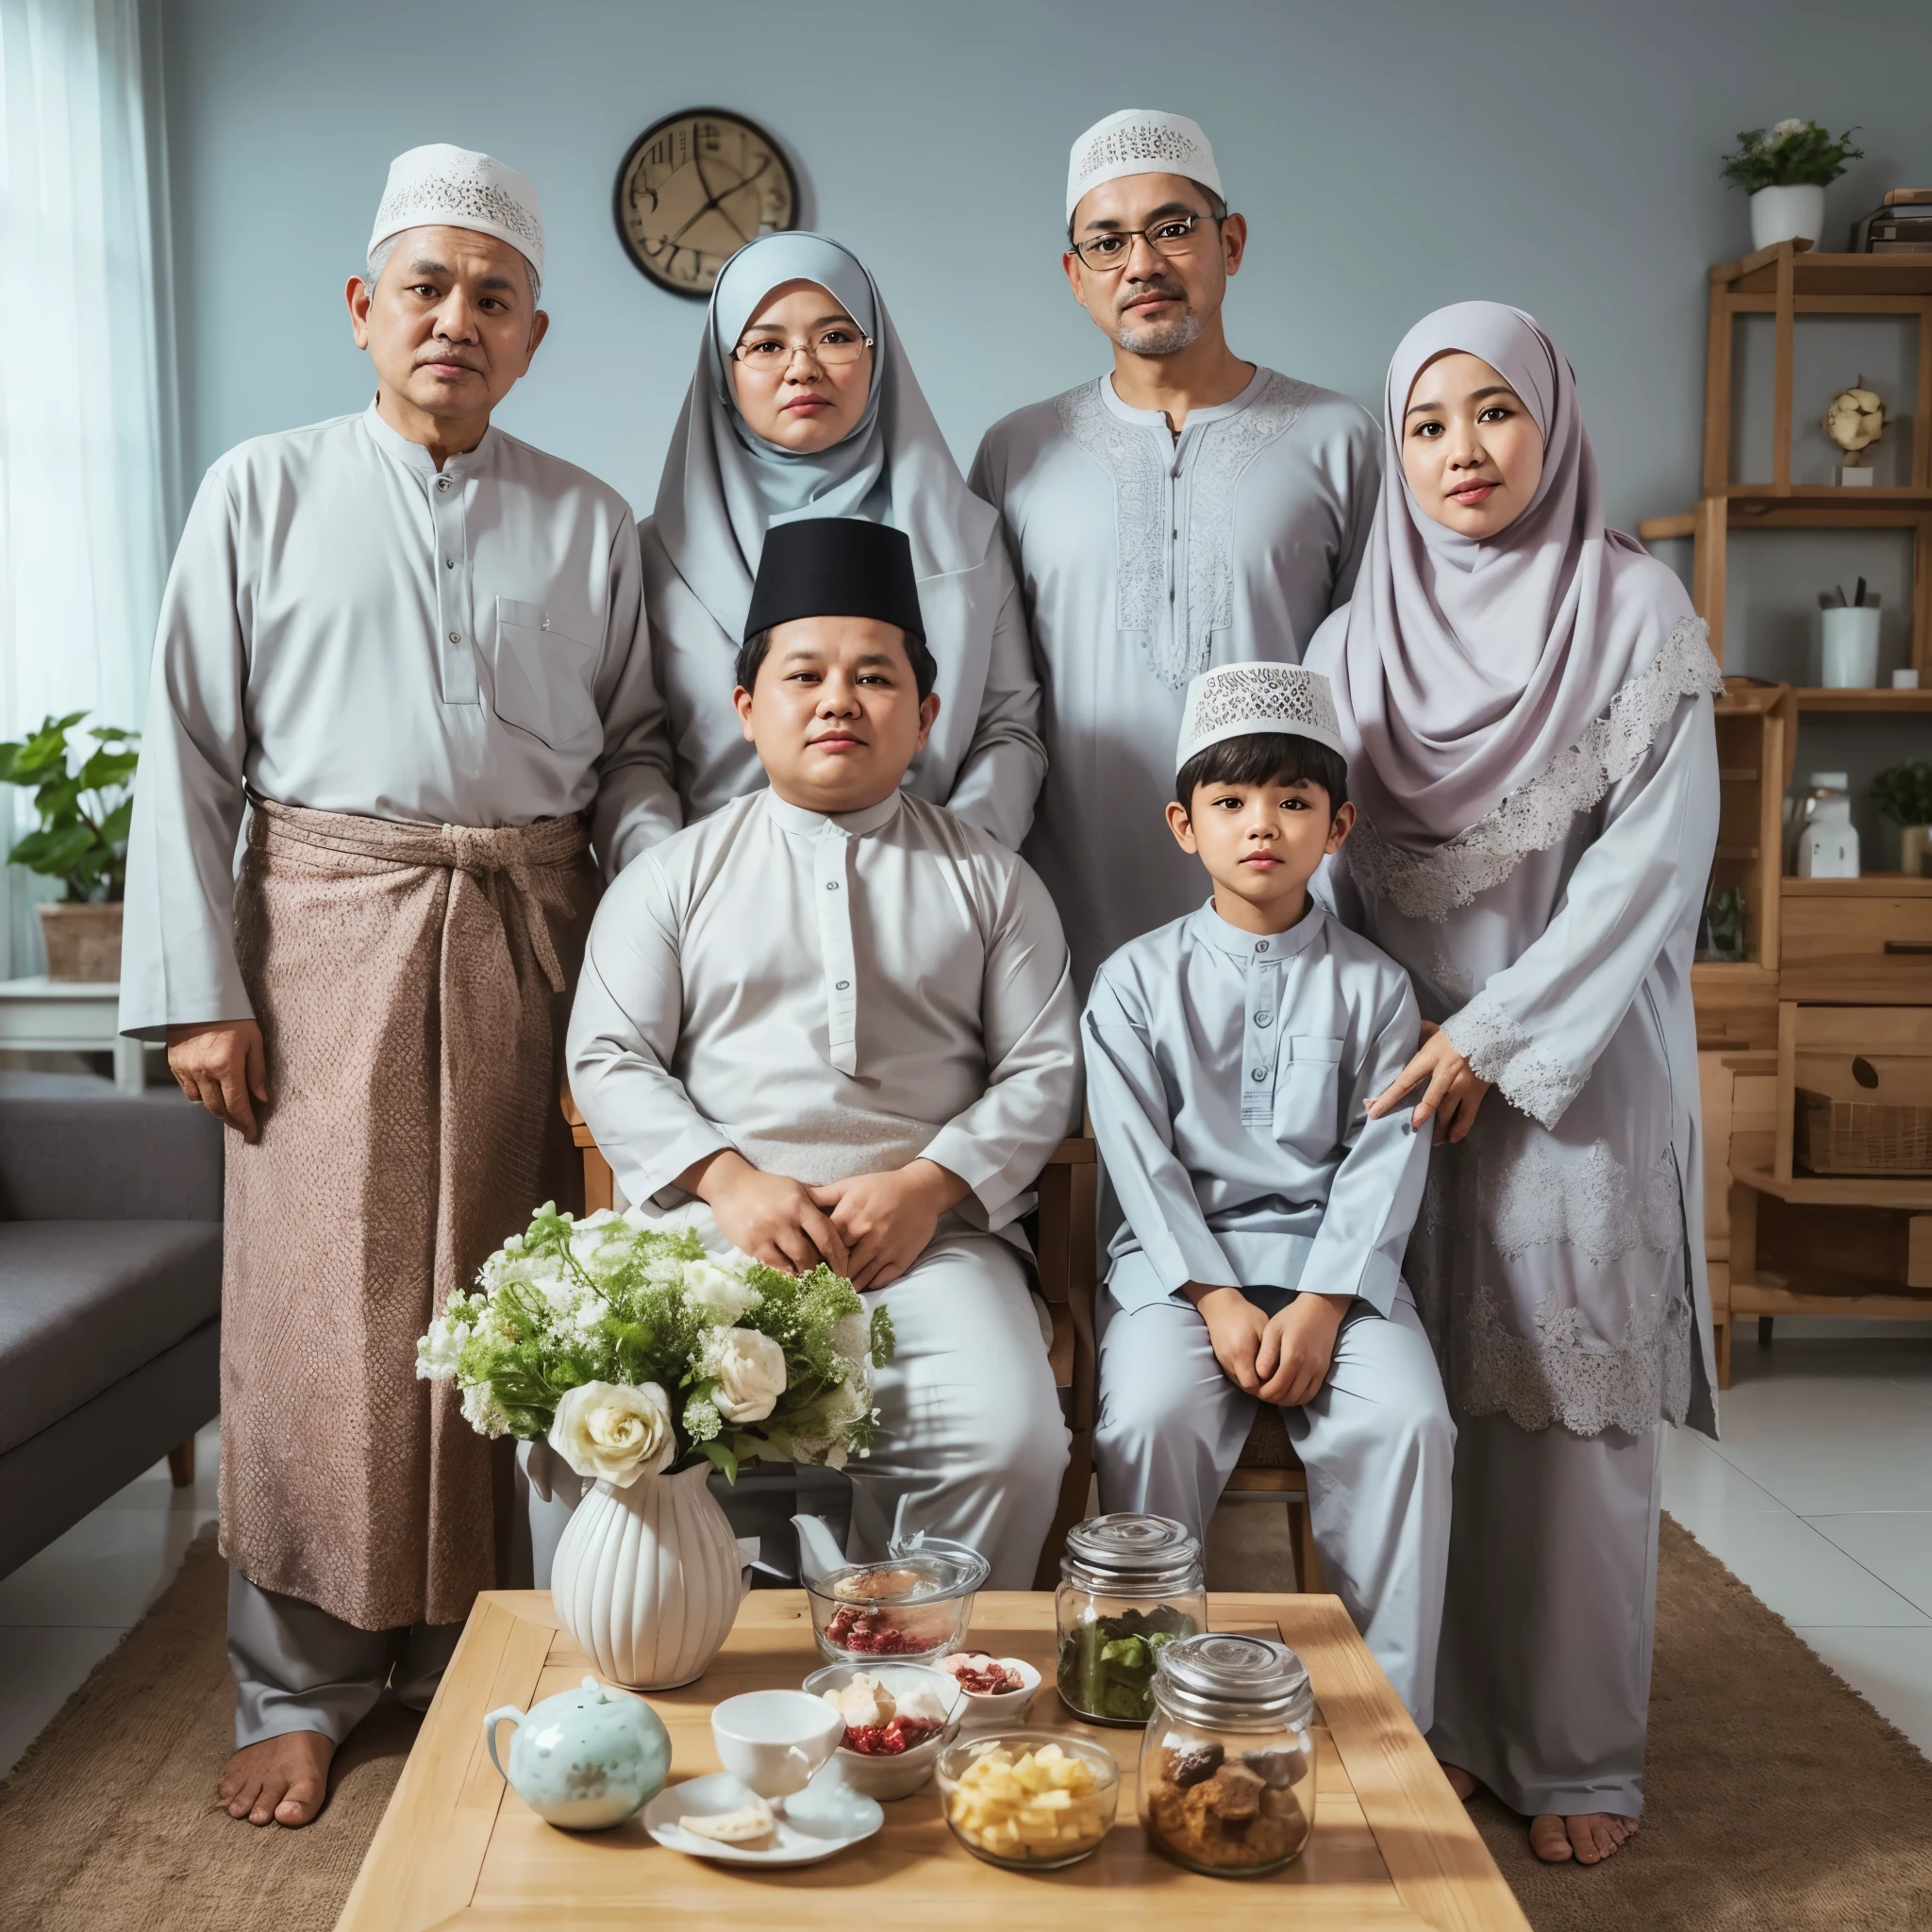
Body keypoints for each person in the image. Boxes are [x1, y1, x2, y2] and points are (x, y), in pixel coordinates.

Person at [118, 144, 677, 1830]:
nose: (455, 318)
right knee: (329, 1323)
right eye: (424, 289)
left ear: (535, 334)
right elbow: (190, 757)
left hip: (540, 930)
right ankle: (300, 1681)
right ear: (364, 311)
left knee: (527, 1306)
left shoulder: (588, 518)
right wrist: (201, 990)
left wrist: (660, 902)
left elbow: (637, 753)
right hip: (321, 939)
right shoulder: (261, 488)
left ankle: (486, 1650)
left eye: (490, 296)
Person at [1307, 302, 1724, 1866]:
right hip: (1403, 1077)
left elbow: (1648, 870)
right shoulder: (1353, 640)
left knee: (1564, 1405)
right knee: (1429, 1409)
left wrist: (1492, 1037)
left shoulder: (1631, 610)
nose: (1458, 451)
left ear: (1549, 423)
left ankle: (1574, 1750)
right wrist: (1376, 1043)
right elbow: (1326, 867)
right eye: (1424, 423)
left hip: (1570, 1066)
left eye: (1492, 413)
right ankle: (1449, 1725)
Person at [566, 516, 1076, 1586]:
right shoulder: (669, 877)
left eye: (874, 676)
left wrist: (928, 1188)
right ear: (748, 708)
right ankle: (667, 1665)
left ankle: (918, 1674)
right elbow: (608, 1055)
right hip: (715, 1240)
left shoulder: (991, 879)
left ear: (926, 714)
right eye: (803, 674)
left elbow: (1041, 1070)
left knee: (1013, 1440)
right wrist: (730, 1183)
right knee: (597, 1433)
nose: (838, 698)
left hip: (929, 1246)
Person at [1084, 662, 1450, 1722]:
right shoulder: (1132, 981)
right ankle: (1148, 1698)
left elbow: (1382, 1165)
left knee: (1410, 1426)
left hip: (1339, 1282)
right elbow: (1136, 1159)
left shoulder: (1377, 986)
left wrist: (1326, 1303)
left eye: (1293, 801)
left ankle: (1388, 1725)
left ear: (1335, 827)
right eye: (1231, 800)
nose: (1262, 825)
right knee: (1147, 1415)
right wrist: (1214, 1295)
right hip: (1178, 1279)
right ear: (1181, 823)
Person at [971, 109, 1379, 991]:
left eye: (1172, 228)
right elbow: (993, 696)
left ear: (1230, 242)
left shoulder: (1339, 440)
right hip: (1065, 915)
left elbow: (1376, 690)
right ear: (1076, 279)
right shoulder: (1016, 453)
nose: (1143, 264)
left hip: (1291, 916)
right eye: (1107, 243)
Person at [644, 232, 1043, 849]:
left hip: (934, 888)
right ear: (724, 369)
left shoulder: (966, 535)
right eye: (767, 345)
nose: (801, 367)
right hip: (720, 904)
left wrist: (954, 869)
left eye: (834, 337)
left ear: (876, 354)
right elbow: (635, 751)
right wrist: (674, 887)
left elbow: (1009, 730)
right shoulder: (655, 556)